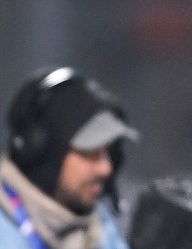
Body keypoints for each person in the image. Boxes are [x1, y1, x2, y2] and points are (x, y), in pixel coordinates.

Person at [1, 67, 140, 249]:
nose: (105, 169)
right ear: (40, 152)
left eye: (109, 152)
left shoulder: (100, 228)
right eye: (90, 152)